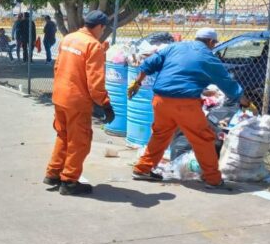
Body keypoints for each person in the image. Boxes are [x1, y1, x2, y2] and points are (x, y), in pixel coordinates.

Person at [128, 27, 253, 188]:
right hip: (185, 104)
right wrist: (244, 100)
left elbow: (148, 64)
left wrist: (137, 82)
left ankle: (142, 169)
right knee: (202, 138)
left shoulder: (174, 47)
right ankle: (213, 179)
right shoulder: (208, 56)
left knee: (160, 135)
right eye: (214, 43)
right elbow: (226, 82)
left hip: (161, 101)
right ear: (210, 42)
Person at [44, 11, 114, 196]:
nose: (103, 31)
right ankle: (69, 181)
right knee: (79, 141)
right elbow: (95, 81)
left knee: (63, 135)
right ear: (99, 26)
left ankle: (53, 173)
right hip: (76, 101)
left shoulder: (69, 38)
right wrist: (105, 103)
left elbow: (59, 66)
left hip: (59, 96)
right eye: (103, 28)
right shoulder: (93, 45)